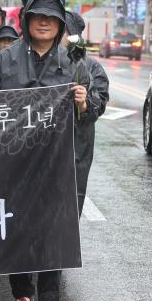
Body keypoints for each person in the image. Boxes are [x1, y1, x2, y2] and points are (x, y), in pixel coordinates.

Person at [0, 0, 91, 301]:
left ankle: (49, 298)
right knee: (16, 224)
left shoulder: (74, 63)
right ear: (26, 21)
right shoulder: (5, 60)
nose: (44, 22)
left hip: (56, 163)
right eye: (37, 16)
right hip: (13, 159)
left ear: (59, 26)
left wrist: (83, 102)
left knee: (53, 227)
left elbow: (93, 108)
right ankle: (22, 292)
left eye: (51, 18)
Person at [63, 11, 109, 215]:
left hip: (77, 143)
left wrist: (84, 104)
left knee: (71, 201)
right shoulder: (39, 62)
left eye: (63, 30)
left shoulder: (90, 66)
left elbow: (98, 106)